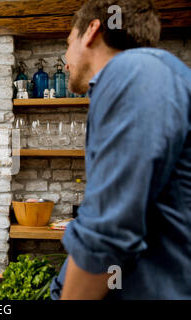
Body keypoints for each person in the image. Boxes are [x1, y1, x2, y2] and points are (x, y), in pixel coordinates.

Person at [50, 0, 191, 299]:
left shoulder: (133, 70)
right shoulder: (151, 74)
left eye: (67, 43)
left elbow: (109, 231)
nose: (65, 62)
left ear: (91, 31)